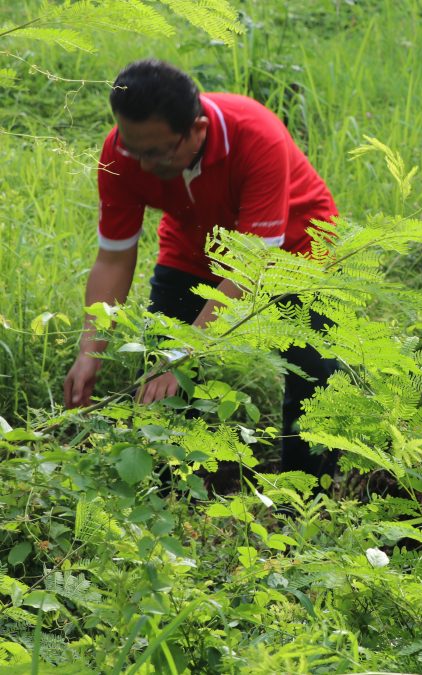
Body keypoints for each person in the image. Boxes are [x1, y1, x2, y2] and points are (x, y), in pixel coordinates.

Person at [63, 59, 339, 477]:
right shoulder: (123, 152)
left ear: (198, 130)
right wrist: (90, 350)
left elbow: (252, 267)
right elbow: (113, 258)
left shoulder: (254, 135)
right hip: (197, 245)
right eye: (131, 148)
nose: (141, 165)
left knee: (312, 370)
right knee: (159, 364)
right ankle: (168, 487)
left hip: (295, 249)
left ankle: (307, 497)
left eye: (155, 152)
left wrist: (184, 351)